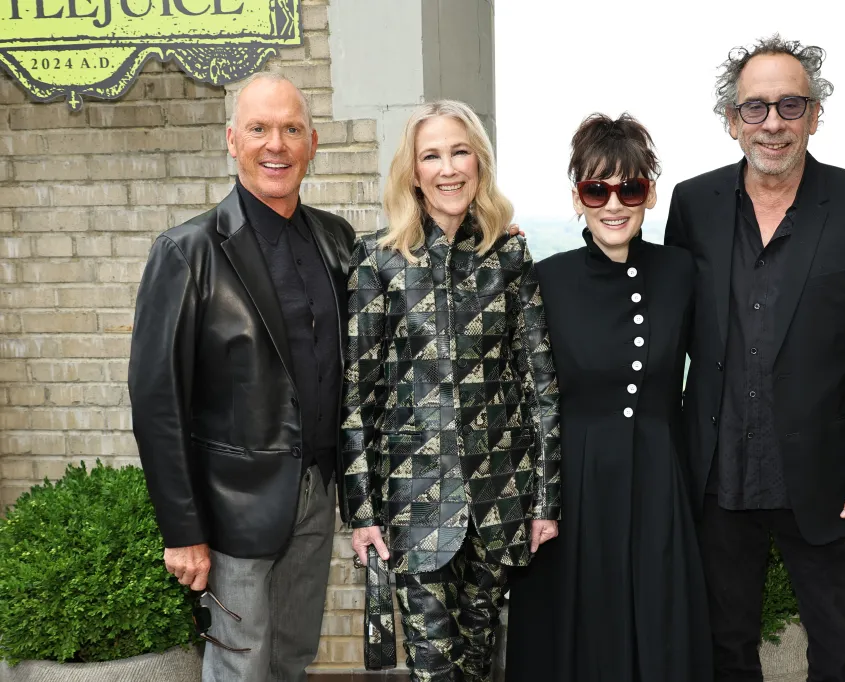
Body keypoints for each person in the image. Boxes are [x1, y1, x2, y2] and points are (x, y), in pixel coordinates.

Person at [665, 35, 845, 682]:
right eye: (755, 107)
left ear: (815, 115)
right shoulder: (693, 205)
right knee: (724, 651)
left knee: (840, 652)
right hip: (718, 476)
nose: (772, 122)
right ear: (732, 120)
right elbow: (667, 321)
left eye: (790, 105)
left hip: (830, 481)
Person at [127, 72, 355, 682]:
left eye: (291, 129)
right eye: (259, 129)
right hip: (232, 506)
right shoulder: (187, 252)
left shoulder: (338, 240)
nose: (275, 144)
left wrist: (481, 237)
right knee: (240, 666)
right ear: (233, 140)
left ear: (312, 143)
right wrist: (182, 531)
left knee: (292, 658)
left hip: (316, 491)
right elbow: (157, 403)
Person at [341, 99, 561, 681]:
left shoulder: (509, 255)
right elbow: (358, 397)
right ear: (413, 173)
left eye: (460, 152)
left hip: (499, 497)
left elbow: (539, 384)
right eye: (431, 156)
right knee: (433, 668)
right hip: (411, 504)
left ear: (479, 162)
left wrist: (545, 501)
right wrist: (362, 512)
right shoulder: (378, 261)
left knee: (480, 664)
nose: (448, 168)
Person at [505, 113, 712, 682]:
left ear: (650, 194)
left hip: (660, 481)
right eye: (597, 189)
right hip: (574, 485)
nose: (614, 204)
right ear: (578, 198)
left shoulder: (682, 272)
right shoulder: (545, 279)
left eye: (631, 188)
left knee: (659, 626)